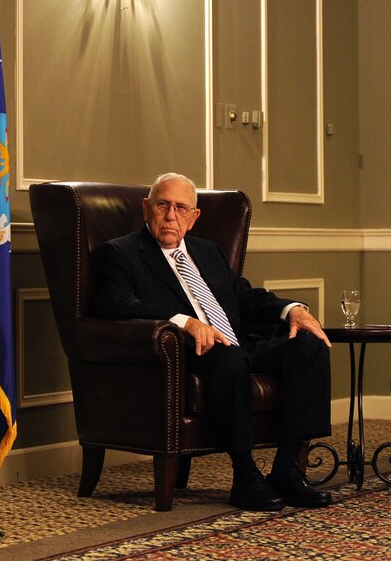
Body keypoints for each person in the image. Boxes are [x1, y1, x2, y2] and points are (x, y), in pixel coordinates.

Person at [92, 173, 333, 511]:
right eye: (163, 205)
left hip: (238, 342)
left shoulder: (208, 252)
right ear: (146, 208)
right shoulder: (121, 252)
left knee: (309, 346)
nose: (171, 216)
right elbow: (117, 304)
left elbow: (244, 297)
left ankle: (287, 470)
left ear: (194, 217)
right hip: (188, 351)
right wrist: (184, 321)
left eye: (181, 208)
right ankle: (245, 476)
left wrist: (291, 309)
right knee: (230, 359)